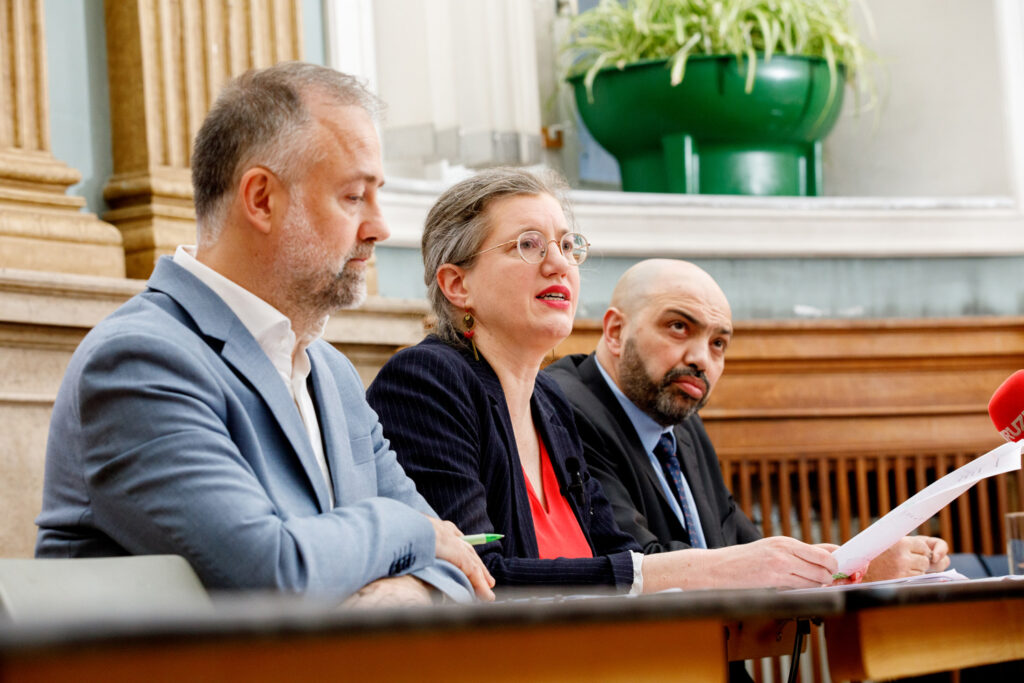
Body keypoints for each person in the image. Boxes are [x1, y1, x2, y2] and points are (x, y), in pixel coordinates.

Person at [35, 62, 494, 607]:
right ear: (260, 199)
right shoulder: (140, 360)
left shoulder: (332, 373)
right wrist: (411, 531)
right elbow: (270, 572)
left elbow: (462, 566)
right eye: (353, 196)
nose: (380, 227)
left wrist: (395, 595)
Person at [366, 168, 845, 595]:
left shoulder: (549, 401)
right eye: (529, 245)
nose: (559, 264)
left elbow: (615, 550)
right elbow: (478, 579)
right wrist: (716, 571)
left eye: (567, 245)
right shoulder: (427, 381)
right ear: (458, 284)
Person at [546, 259, 950, 581]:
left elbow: (747, 548)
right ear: (616, 332)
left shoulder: (681, 428)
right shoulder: (564, 408)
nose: (701, 359)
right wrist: (850, 572)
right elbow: (637, 567)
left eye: (718, 343)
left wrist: (856, 560)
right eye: (678, 327)